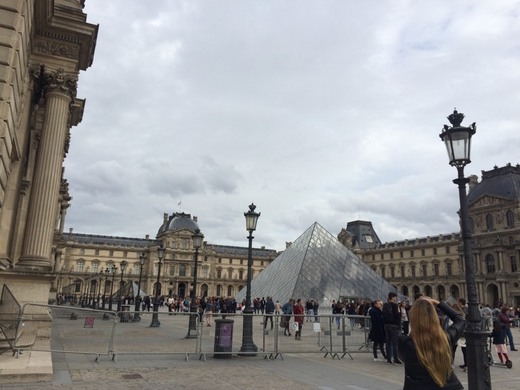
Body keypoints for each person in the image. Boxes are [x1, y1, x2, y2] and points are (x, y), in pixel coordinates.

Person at [398, 297, 466, 389]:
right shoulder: (446, 338)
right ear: (435, 318)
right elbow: (460, 320)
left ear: (412, 318)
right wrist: (439, 303)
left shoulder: (404, 342)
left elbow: (402, 357)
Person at [383, 292, 401, 364]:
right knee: (395, 343)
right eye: (395, 297)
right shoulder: (395, 305)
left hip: (386, 325)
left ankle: (389, 358)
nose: (396, 298)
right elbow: (397, 315)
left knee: (388, 342)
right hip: (394, 325)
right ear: (393, 297)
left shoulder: (385, 305)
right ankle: (396, 358)